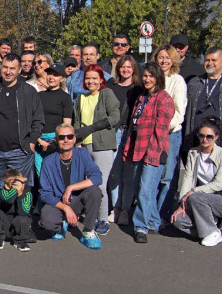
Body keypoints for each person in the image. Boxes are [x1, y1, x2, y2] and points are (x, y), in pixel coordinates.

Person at [122, 63, 175, 243]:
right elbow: (134, 124)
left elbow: (161, 131)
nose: (147, 79)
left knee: (145, 190)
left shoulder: (164, 99)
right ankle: (153, 221)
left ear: (158, 77)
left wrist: (156, 153)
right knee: (143, 189)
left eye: (151, 76)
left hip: (154, 150)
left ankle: (140, 227)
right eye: (145, 76)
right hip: (138, 147)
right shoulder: (142, 97)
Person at [171, 117, 222, 247]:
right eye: (201, 136)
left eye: (209, 137)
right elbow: (188, 179)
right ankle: (208, 228)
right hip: (199, 200)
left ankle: (212, 232)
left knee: (195, 197)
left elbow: (219, 184)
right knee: (177, 220)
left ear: (216, 137)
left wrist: (193, 191)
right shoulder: (193, 153)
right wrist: (182, 203)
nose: (205, 139)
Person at [0, 53, 44, 188]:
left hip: (20, 151)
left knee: (20, 191)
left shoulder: (28, 91)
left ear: (19, 70)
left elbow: (38, 119)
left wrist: (31, 141)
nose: (8, 72)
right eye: (5, 67)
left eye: (12, 68)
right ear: (0, 67)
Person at [38, 124, 103, 249]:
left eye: (70, 136)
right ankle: (61, 225)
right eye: (61, 137)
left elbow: (97, 177)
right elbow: (45, 193)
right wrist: (66, 208)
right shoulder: (48, 161)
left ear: (74, 139)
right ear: (56, 140)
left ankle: (88, 231)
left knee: (95, 191)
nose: (66, 140)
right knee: (47, 221)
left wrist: (71, 187)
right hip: (59, 202)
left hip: (77, 200)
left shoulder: (82, 154)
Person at [73, 64, 120, 235]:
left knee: (99, 184)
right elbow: (76, 122)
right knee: (86, 184)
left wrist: (91, 128)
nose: (91, 81)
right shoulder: (81, 98)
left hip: (102, 146)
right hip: (84, 146)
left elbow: (115, 117)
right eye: (88, 78)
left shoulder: (106, 94)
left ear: (101, 79)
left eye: (94, 78)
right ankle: (89, 215)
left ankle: (103, 219)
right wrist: (78, 142)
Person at [153, 45, 187, 220]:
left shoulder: (177, 81)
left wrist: (163, 128)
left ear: (173, 60)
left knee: (167, 176)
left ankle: (163, 214)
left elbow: (179, 112)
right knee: (152, 175)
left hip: (170, 133)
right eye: (161, 57)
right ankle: (151, 213)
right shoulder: (152, 78)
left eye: (168, 57)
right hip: (152, 134)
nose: (164, 61)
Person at [107, 55, 142, 222]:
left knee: (128, 175)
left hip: (130, 133)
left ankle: (125, 209)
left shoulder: (139, 89)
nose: (126, 70)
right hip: (113, 132)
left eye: (129, 67)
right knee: (114, 174)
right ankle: (115, 207)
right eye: (123, 66)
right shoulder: (110, 86)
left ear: (133, 69)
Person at [34, 63, 73, 182]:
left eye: (55, 75)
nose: (51, 77)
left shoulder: (65, 97)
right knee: (41, 176)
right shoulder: (38, 95)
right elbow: (31, 120)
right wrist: (39, 141)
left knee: (56, 175)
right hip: (39, 140)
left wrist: (55, 142)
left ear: (62, 79)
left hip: (56, 141)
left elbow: (66, 125)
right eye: (49, 74)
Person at [0, 168, 35, 252]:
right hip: (5, 225)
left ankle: (21, 241)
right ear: (10, 183)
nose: (22, 184)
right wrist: (15, 189)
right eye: (19, 182)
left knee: (23, 218)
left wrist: (20, 195)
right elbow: (9, 200)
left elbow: (23, 212)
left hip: (19, 227)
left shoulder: (27, 193)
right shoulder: (2, 191)